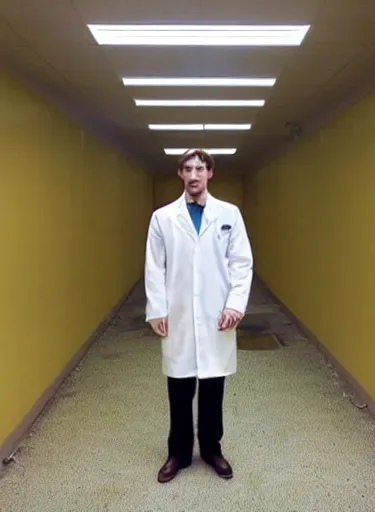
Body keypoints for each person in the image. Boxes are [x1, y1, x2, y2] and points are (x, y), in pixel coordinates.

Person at [144, 148, 253, 483]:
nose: (194, 175)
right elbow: (154, 267)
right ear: (180, 173)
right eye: (188, 168)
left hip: (216, 315)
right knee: (178, 389)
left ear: (210, 173)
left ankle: (211, 449)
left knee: (212, 387)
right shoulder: (162, 217)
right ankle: (178, 452)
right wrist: (157, 309)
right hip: (176, 316)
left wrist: (235, 304)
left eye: (200, 168)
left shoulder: (229, 214)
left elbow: (241, 262)